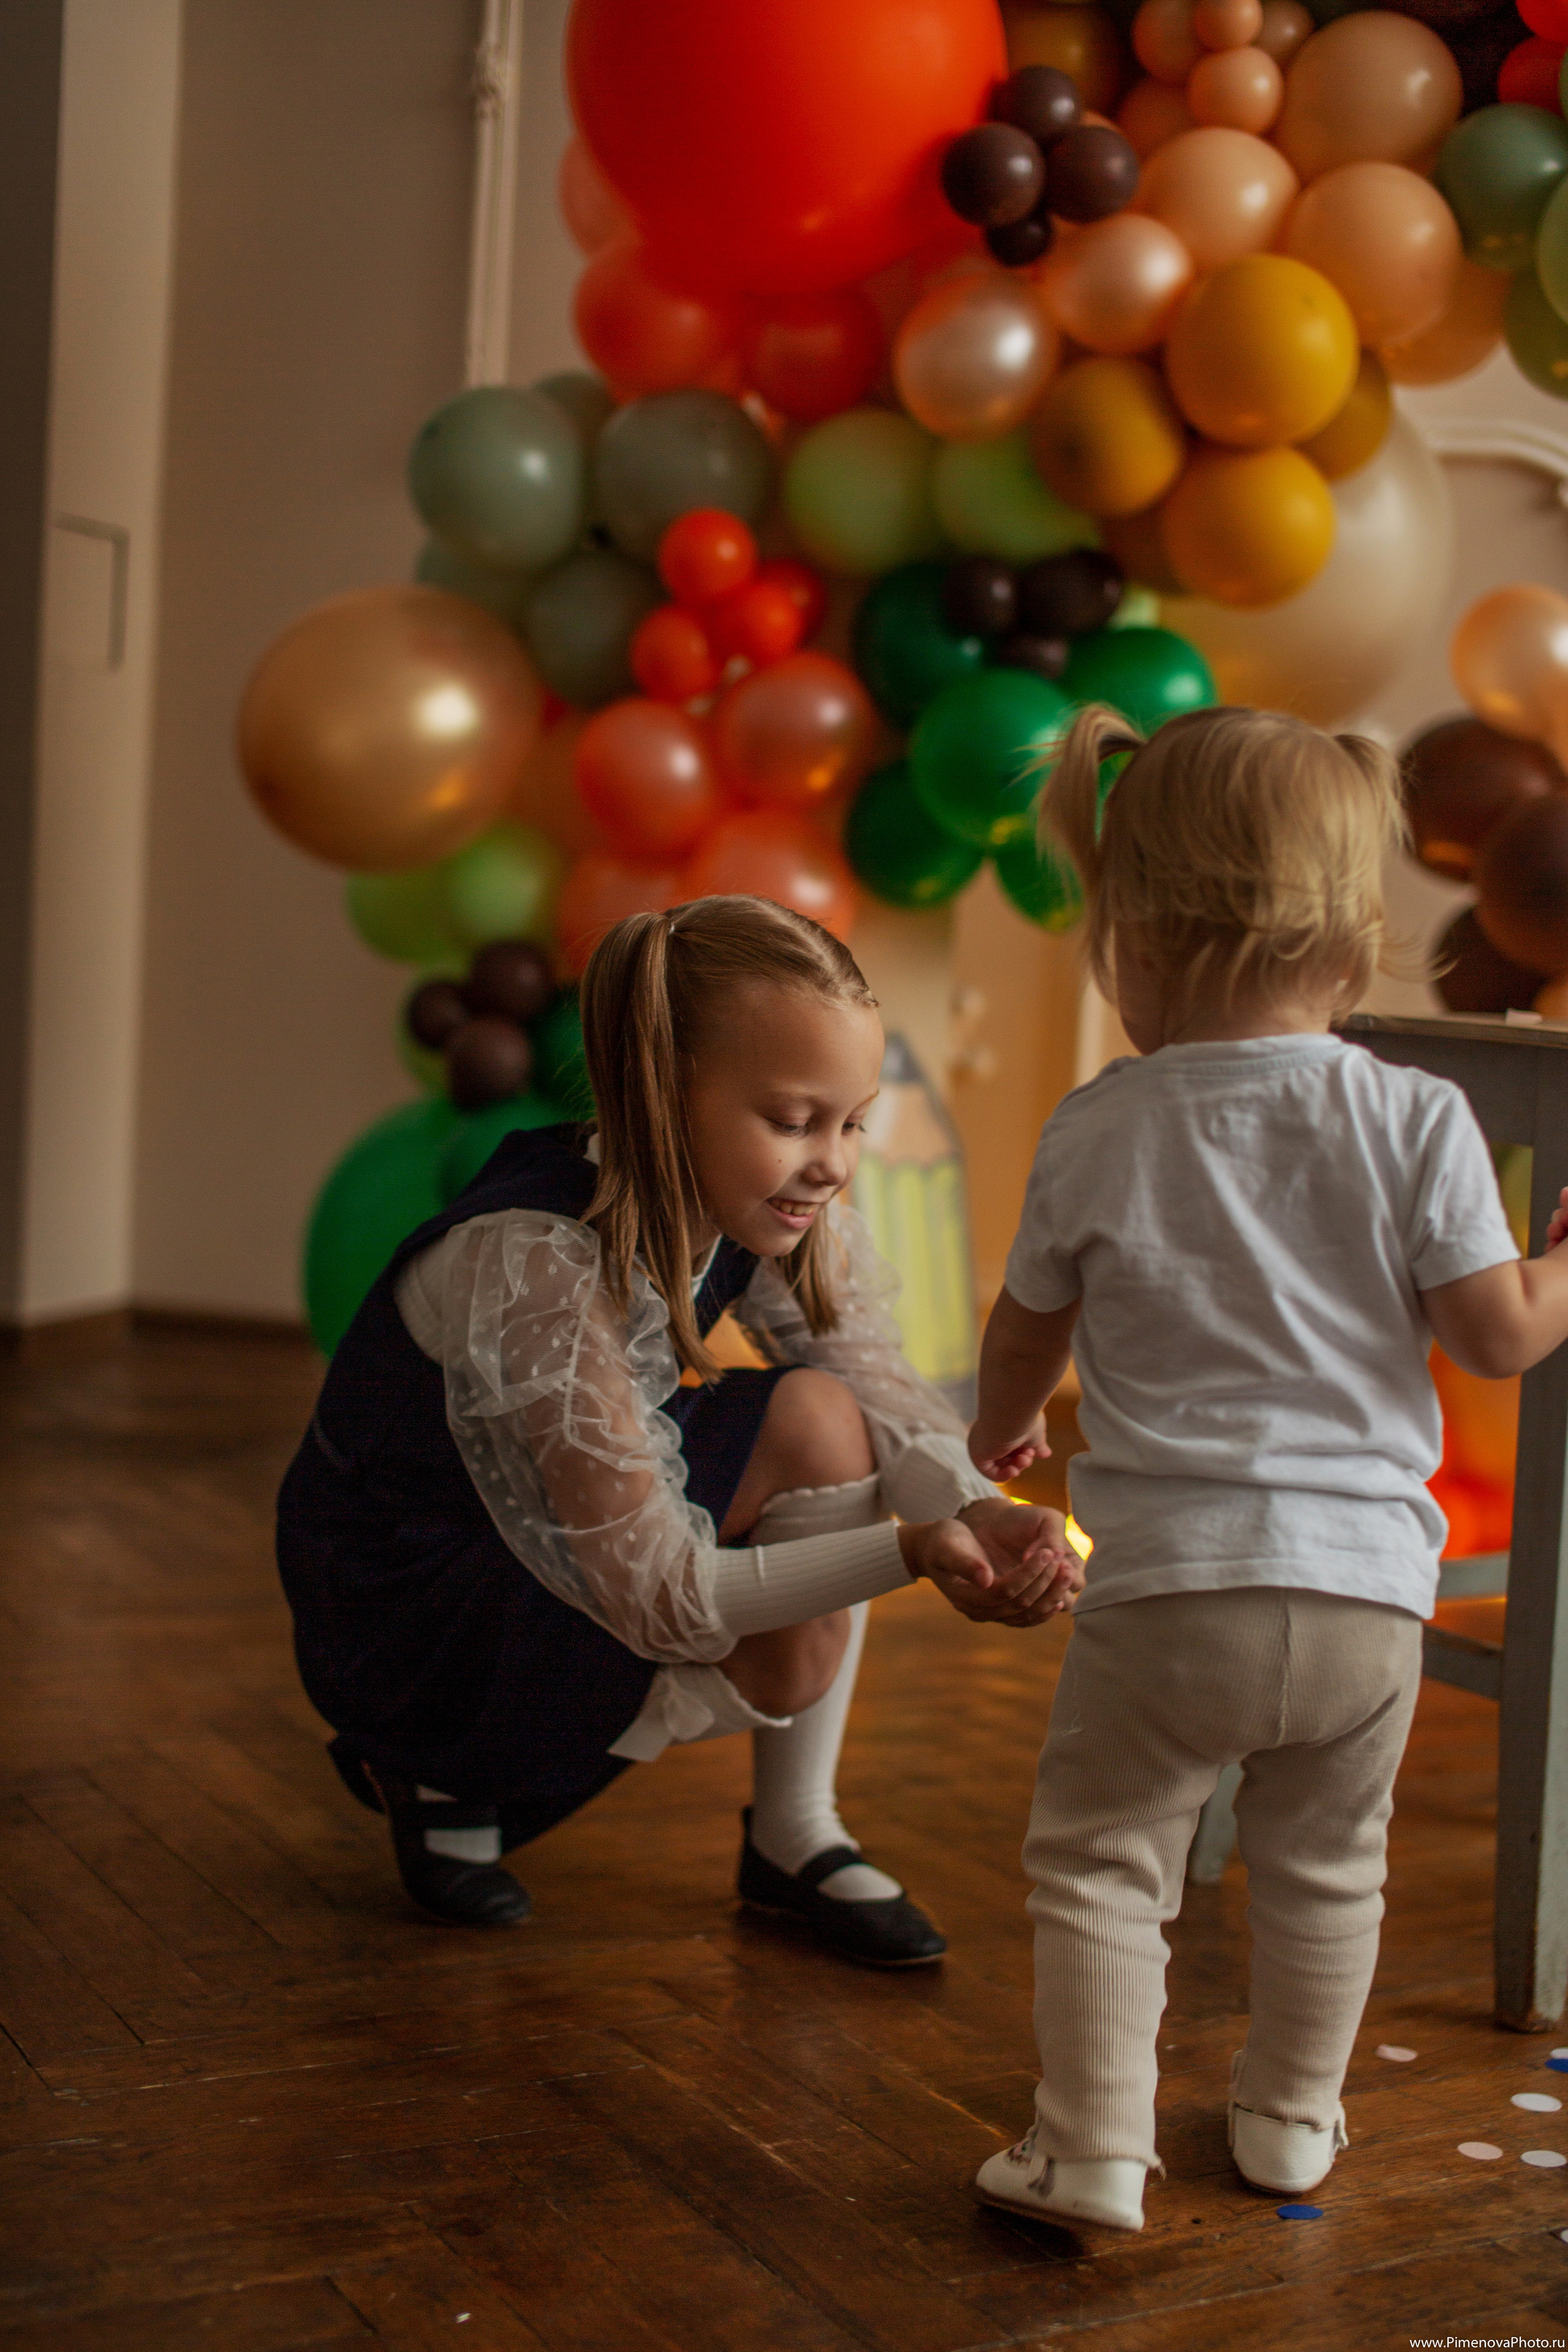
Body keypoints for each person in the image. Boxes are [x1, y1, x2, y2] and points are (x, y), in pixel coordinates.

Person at [965, 703, 1568, 2231]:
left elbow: (1025, 1320)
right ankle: (1291, 2116)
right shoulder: (1415, 1115)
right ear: (1351, 928)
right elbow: (1496, 1338)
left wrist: (1002, 1430)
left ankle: (1091, 2144)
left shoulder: (1096, 1125)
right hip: (1370, 1599)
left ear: (1130, 932)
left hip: (1170, 1592)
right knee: (1326, 1870)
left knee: (1104, 1861)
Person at [277, 894, 1079, 1965]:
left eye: (853, 1121)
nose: (835, 1162)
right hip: (415, 1602)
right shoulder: (539, 1262)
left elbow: (884, 1400)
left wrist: (983, 1511)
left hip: (538, 1530)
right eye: (795, 1120)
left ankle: (796, 1835)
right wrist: (911, 1552)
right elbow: (665, 1595)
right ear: (664, 1094)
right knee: (785, 1622)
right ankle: (438, 1767)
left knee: (826, 1414)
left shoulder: (775, 1205)